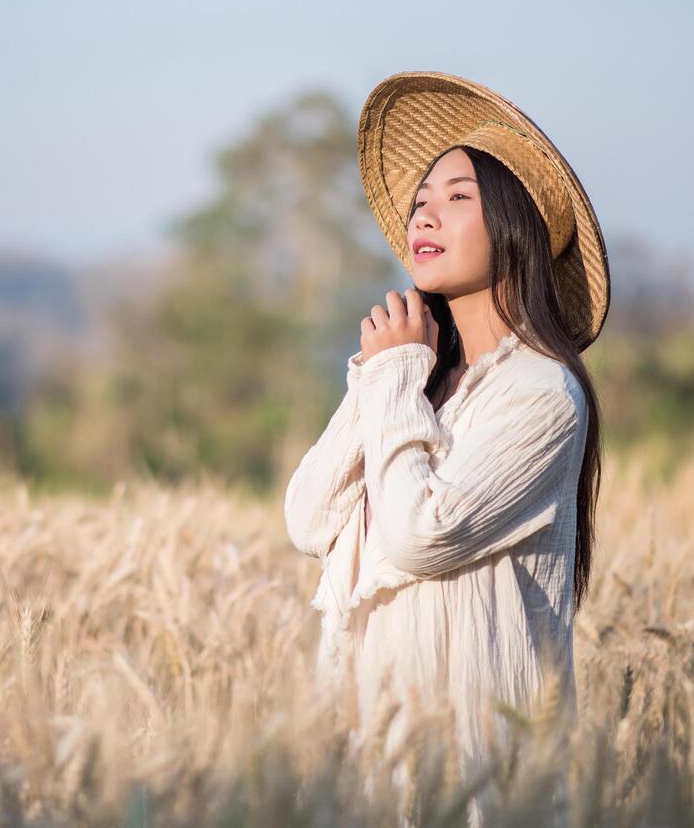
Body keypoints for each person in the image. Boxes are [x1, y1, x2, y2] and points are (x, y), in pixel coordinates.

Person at [283, 71, 611, 825]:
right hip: (378, 760)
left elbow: (420, 536)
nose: (424, 212)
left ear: (515, 227)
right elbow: (307, 520)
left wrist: (396, 378)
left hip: (479, 776)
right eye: (421, 198)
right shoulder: (418, 380)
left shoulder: (541, 394)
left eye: (457, 197)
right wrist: (380, 375)